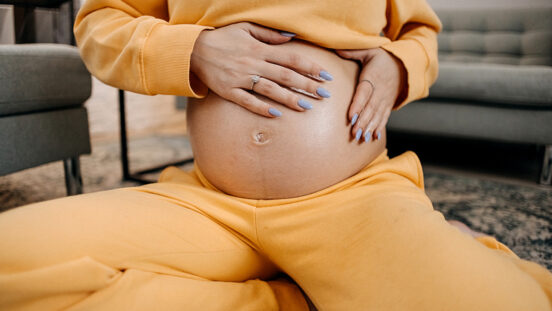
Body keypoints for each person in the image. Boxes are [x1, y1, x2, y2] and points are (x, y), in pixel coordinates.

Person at [0, 0, 551, 310]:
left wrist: (399, 64)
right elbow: (100, 23)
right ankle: (294, 299)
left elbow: (419, 32)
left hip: (352, 202)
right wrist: (192, 47)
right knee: (11, 264)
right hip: (208, 203)